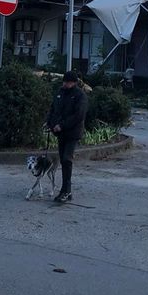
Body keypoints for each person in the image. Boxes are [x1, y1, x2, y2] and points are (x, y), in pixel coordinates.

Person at [46, 70, 88, 204]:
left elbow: (78, 115)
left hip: (72, 132)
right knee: (63, 160)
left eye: (69, 82)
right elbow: (53, 109)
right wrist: (51, 123)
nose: (66, 84)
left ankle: (65, 190)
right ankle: (66, 190)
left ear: (74, 83)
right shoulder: (60, 93)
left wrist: (62, 125)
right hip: (60, 133)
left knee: (66, 159)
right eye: (65, 81)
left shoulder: (80, 96)